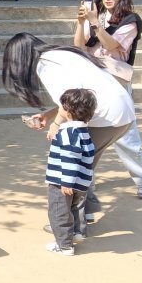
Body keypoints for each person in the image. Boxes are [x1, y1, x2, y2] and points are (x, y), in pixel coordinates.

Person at [2, 32, 135, 229]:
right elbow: (75, 97)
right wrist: (48, 116)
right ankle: (86, 212)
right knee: (84, 166)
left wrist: (56, 125)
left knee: (67, 171)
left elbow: (70, 101)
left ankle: (69, 226)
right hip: (122, 115)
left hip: (105, 119)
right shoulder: (62, 54)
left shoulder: (46, 65)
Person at [75, 0, 142, 199]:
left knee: (124, 135)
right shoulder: (97, 16)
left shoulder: (131, 21)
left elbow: (112, 45)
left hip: (115, 83)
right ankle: (86, 181)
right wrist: (82, 22)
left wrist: (95, 23)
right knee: (86, 131)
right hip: (92, 79)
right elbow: (79, 45)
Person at [44, 89, 96, 256]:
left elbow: (70, 159)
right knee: (74, 208)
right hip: (81, 182)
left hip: (63, 182)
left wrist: (66, 182)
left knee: (58, 211)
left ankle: (64, 246)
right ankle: (76, 232)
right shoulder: (83, 132)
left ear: (67, 111)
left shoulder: (68, 134)